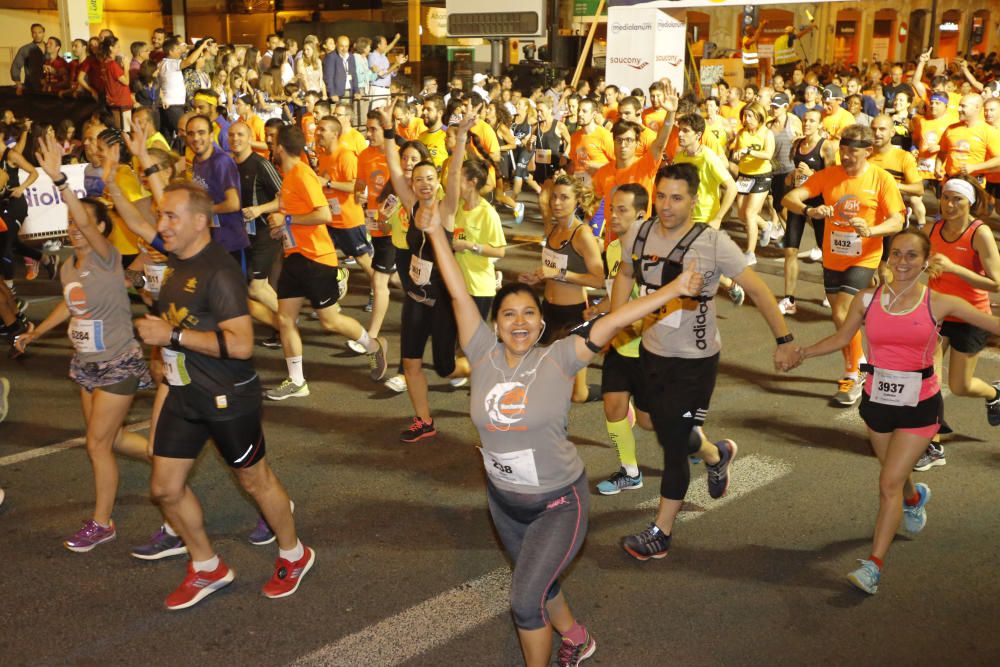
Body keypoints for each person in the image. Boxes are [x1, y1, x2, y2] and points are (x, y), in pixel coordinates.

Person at [418, 133, 704, 664]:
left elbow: (615, 319)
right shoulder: (480, 351)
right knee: (541, 582)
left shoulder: (558, 358)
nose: (520, 321)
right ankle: (576, 636)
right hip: (502, 502)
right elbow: (458, 291)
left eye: (529, 313)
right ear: (496, 324)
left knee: (524, 601)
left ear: (541, 321)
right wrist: (436, 232)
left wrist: (671, 291)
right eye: (509, 314)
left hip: (557, 503)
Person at [131, 180, 314, 609]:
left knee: (254, 478)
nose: (163, 225)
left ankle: (294, 553)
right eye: (161, 215)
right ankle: (206, 565)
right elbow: (174, 312)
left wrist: (170, 335)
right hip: (184, 393)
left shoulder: (220, 272)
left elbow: (242, 344)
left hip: (226, 396)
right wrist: (161, 348)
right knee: (164, 488)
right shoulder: (177, 259)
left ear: (200, 222)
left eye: (171, 216)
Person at [786, 228, 1000, 595]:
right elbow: (841, 338)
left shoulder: (939, 302)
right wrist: (801, 352)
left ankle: (874, 565)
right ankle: (915, 498)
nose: (902, 262)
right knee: (894, 477)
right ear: (887, 258)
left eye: (911, 255)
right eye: (897, 254)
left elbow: (992, 323)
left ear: (926, 260)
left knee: (887, 484)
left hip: (920, 406)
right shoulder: (867, 300)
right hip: (877, 403)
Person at [614, 163, 798, 561]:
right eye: (661, 196)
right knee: (649, 421)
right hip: (651, 351)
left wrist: (784, 339)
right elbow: (626, 274)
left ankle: (661, 532)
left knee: (673, 443)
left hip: (695, 361)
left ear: (694, 200)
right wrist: (618, 320)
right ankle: (716, 454)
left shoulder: (711, 242)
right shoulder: (638, 232)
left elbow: (759, 289)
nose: (666, 205)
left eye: (676, 198)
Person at [15, 136, 152, 552]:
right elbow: (69, 306)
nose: (74, 228)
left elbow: (89, 223)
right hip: (85, 364)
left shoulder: (106, 257)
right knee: (108, 439)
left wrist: (60, 180)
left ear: (101, 230)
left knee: (95, 443)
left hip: (118, 363)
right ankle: (169, 458)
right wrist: (37, 331)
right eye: (70, 224)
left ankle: (102, 522)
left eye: (82, 224)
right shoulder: (69, 266)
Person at [782, 124, 905, 406]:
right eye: (843, 150)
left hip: (865, 256)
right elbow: (789, 197)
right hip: (833, 255)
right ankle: (860, 362)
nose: (846, 156)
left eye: (853, 152)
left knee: (841, 312)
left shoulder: (880, 179)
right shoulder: (829, 175)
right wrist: (810, 210)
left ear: (868, 152)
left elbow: (898, 220)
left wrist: (871, 230)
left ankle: (853, 371)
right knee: (840, 318)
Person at [264, 125, 386, 400]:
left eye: (272, 142)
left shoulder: (302, 174)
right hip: (294, 257)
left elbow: (323, 215)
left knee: (330, 322)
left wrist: (287, 220)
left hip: (318, 259)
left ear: (280, 147)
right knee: (285, 319)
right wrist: (282, 227)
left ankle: (373, 345)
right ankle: (297, 381)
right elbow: (295, 215)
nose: (270, 147)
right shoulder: (290, 175)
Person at [378, 109, 470, 440]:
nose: (425, 184)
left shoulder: (446, 210)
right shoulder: (411, 205)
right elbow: (392, 166)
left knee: (445, 369)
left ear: (437, 183)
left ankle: (474, 369)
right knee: (411, 364)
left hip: (443, 304)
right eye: (419, 180)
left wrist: (460, 139)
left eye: (430, 178)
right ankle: (424, 421)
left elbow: (456, 172)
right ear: (412, 185)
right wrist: (389, 131)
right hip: (416, 299)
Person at [917, 178, 1000, 471]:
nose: (949, 205)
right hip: (936, 314)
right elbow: (922, 263)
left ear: (970, 203)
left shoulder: (981, 233)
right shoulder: (932, 229)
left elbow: (996, 282)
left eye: (957, 200)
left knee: (961, 386)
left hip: (969, 316)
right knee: (928, 382)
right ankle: (933, 444)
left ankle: (995, 394)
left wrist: (955, 269)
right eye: (946, 198)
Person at [518, 175, 604, 403]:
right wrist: (536, 277)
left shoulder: (582, 234)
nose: (557, 202)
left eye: (564, 198)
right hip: (548, 311)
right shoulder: (554, 230)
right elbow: (552, 269)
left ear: (577, 201)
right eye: (555, 197)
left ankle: (615, 396)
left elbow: (599, 279)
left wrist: (559, 274)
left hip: (572, 315)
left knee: (577, 394)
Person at [592, 184, 652, 494]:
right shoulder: (613, 249)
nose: (612, 215)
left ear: (641, 214)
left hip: (649, 349)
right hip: (619, 344)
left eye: (622, 210)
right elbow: (616, 294)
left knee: (648, 421)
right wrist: (596, 313)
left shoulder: (656, 255)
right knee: (613, 407)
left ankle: (695, 440)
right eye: (611, 209)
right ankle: (630, 471)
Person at [779, 109, 837, 314]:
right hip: (799, 201)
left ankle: (831, 293)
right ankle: (789, 299)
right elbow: (792, 176)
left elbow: (832, 178)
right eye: (805, 120)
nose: (807, 124)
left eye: (812, 121)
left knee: (826, 252)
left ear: (820, 124)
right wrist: (793, 175)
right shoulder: (797, 145)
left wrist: (812, 174)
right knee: (790, 250)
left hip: (819, 204)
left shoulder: (826, 147)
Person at [186, 115, 250, 268]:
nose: (195, 138)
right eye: (191, 133)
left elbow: (233, 204)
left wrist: (204, 210)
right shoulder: (197, 160)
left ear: (211, 135)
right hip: (210, 242)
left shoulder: (221, 161)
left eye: (201, 133)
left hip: (230, 242)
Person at [730, 102, 775, 264]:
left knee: (749, 213)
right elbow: (736, 150)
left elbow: (768, 154)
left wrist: (749, 151)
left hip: (762, 176)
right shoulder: (742, 132)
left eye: (750, 116)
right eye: (745, 116)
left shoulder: (766, 133)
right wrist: (737, 155)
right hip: (744, 175)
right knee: (741, 214)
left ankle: (750, 252)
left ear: (759, 116)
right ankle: (765, 226)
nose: (746, 119)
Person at [11, 23, 46, 94]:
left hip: (51, 86)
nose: (37, 35)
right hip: (31, 86)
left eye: (39, 32)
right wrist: (19, 85)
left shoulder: (50, 48)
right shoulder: (25, 49)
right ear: (31, 34)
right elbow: (16, 66)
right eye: (34, 33)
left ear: (43, 33)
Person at [323, 36, 359, 102]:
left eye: (346, 46)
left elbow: (354, 75)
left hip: (349, 91)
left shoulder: (351, 56)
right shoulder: (331, 57)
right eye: (341, 46)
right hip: (337, 94)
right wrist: (332, 93)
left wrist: (356, 91)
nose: (344, 49)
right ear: (336, 45)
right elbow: (328, 77)